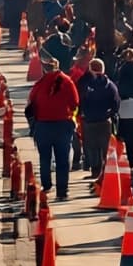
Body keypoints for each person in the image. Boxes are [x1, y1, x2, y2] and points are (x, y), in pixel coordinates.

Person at [26, 56, 80, 200]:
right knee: (62, 159)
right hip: (63, 124)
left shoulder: (40, 84)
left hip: (43, 126)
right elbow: (75, 102)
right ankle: (62, 191)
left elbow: (31, 102)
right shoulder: (67, 82)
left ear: (44, 69)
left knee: (45, 158)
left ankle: (47, 186)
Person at [78, 57, 120, 177]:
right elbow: (116, 102)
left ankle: (95, 170)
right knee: (105, 146)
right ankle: (106, 170)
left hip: (89, 120)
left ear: (90, 69)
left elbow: (79, 99)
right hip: (105, 120)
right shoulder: (110, 85)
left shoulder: (85, 83)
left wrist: (82, 112)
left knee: (91, 146)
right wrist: (110, 114)